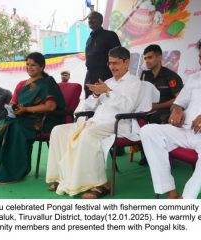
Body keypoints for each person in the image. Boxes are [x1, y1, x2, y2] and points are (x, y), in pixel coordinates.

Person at [46, 47, 142, 199]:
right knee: (58, 130)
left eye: (115, 63)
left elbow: (127, 107)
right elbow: (89, 107)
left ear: (126, 63)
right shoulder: (108, 81)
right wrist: (96, 94)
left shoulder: (135, 83)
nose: (112, 67)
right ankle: (63, 177)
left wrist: (108, 91)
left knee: (88, 134)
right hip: (95, 122)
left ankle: (100, 184)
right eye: (110, 63)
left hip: (118, 123)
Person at [140, 34, 201, 199]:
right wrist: (176, 110)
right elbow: (179, 102)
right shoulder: (195, 78)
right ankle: (170, 192)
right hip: (185, 130)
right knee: (148, 131)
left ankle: (186, 199)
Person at [0, 52, 65, 184]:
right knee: (0, 126)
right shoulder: (22, 84)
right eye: (27, 64)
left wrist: (26, 109)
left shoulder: (47, 83)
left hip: (40, 120)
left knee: (14, 129)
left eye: (33, 65)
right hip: (20, 117)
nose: (29, 67)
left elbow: (50, 106)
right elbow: (12, 103)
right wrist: (14, 109)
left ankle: (14, 172)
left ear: (42, 67)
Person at [138, 44, 184, 165]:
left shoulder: (171, 76)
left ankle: (166, 156)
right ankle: (146, 154)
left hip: (167, 110)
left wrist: (157, 107)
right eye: (145, 58)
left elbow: (179, 99)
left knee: (155, 117)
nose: (147, 61)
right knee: (136, 119)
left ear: (159, 58)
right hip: (148, 109)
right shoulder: (144, 75)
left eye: (150, 57)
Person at [84, 11, 121, 98]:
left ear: (101, 21)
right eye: (89, 18)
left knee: (103, 104)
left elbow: (118, 55)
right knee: (89, 104)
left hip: (105, 76)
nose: (90, 20)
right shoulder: (89, 39)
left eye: (93, 18)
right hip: (89, 76)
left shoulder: (109, 35)